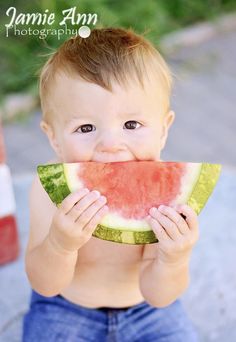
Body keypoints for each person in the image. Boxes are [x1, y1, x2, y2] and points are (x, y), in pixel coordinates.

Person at [22, 27, 199, 341]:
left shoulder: (163, 196)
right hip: (66, 308)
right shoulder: (49, 189)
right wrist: (60, 244)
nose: (111, 144)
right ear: (54, 137)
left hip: (148, 310)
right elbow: (45, 285)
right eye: (86, 127)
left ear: (163, 128)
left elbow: (159, 295)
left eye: (132, 124)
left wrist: (174, 257)